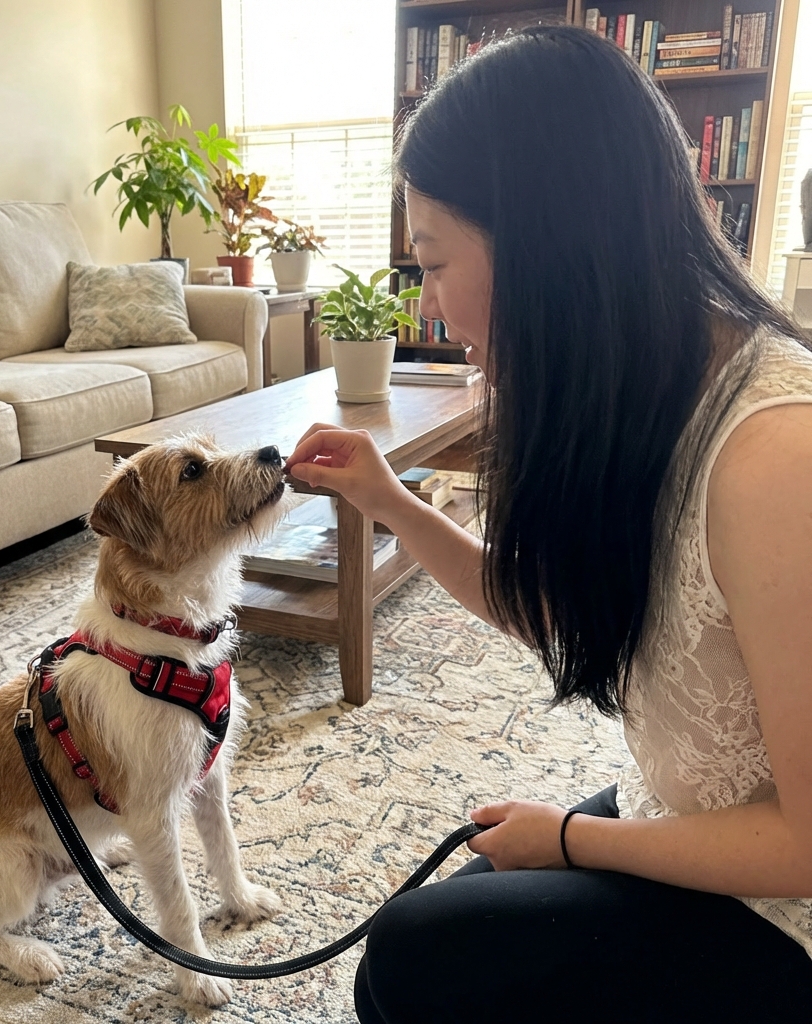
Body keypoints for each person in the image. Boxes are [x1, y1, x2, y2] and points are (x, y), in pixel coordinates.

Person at [284, 25, 812, 1024]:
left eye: (435, 263)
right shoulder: (645, 383)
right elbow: (558, 611)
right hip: (692, 814)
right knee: (448, 922)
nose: (431, 305)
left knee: (412, 957)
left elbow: (807, 843)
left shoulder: (777, 456)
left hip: (787, 909)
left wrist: (572, 839)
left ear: (545, 241)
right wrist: (387, 501)